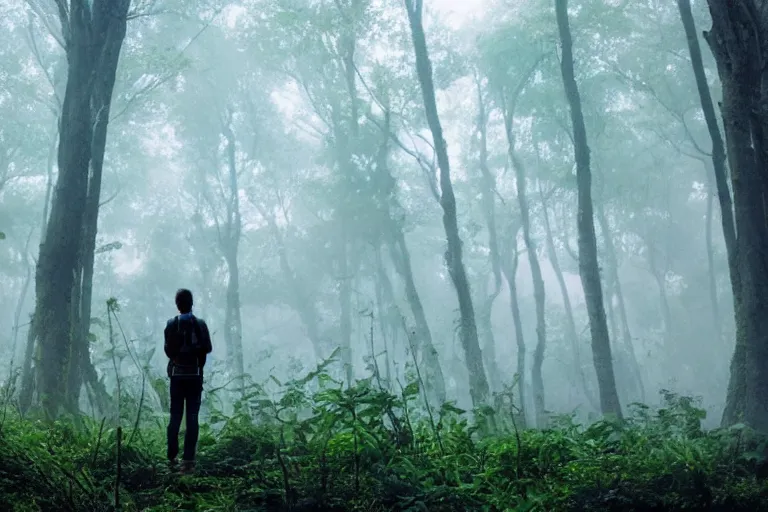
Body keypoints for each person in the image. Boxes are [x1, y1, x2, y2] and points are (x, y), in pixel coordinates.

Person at [164, 288, 213, 474]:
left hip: (177, 376)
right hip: (194, 376)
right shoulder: (199, 324)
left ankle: (172, 458)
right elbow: (207, 347)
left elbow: (168, 350)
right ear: (192, 303)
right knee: (192, 418)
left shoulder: (171, 324)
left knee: (175, 416)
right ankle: (189, 461)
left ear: (177, 305)